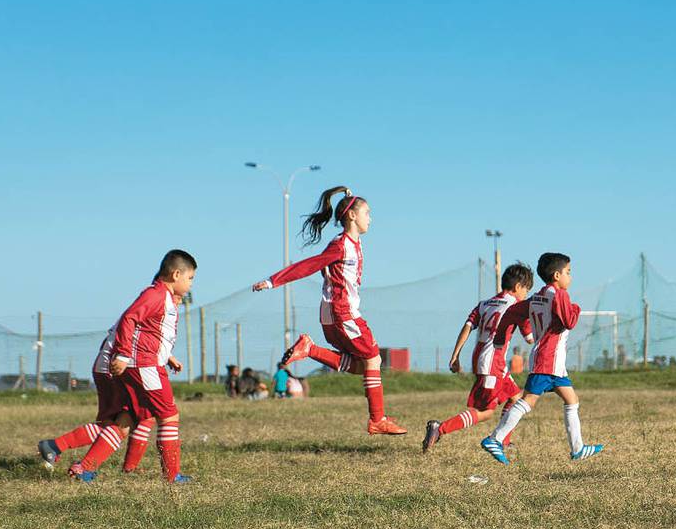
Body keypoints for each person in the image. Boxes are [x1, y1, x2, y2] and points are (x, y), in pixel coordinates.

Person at [252, 186, 406, 435]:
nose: (371, 217)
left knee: (362, 366)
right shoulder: (341, 245)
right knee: (374, 359)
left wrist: (347, 195)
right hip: (342, 313)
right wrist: (272, 280)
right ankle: (377, 420)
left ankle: (309, 348)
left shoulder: (354, 244)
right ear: (352, 216)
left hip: (335, 314)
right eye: (367, 212)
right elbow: (309, 265)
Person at [66, 249, 197, 484]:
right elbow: (129, 318)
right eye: (191, 278)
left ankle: (85, 468)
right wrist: (124, 354)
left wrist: (168, 356)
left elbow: (149, 332)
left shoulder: (163, 297)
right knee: (169, 416)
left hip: (145, 363)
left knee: (127, 420)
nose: (190, 284)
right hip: (144, 366)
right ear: (177, 274)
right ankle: (171, 476)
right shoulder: (157, 295)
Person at [480, 253, 604, 464]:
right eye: (568, 272)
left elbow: (511, 313)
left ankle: (578, 448)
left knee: (571, 400)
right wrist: (576, 308)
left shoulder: (537, 296)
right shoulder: (560, 294)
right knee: (528, 400)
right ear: (557, 275)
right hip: (548, 360)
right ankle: (495, 438)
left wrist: (500, 338)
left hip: (551, 361)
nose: (570, 277)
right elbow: (569, 320)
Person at [423, 262, 534, 453]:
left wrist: (455, 355)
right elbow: (531, 339)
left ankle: (503, 441)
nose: (526, 294)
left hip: (485, 360)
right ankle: (439, 428)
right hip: (492, 364)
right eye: (526, 290)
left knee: (515, 397)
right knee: (485, 412)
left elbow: (467, 326)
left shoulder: (484, 304)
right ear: (518, 287)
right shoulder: (516, 307)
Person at [36, 313, 168, 474]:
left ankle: (57, 447)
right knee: (131, 420)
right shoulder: (155, 302)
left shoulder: (154, 304)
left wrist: (169, 357)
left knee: (123, 422)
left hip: (113, 366)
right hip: (117, 368)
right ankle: (85, 466)